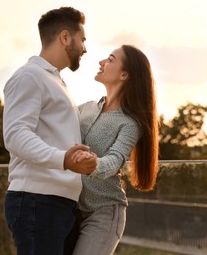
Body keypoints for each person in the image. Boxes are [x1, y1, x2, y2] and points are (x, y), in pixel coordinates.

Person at [3, 7, 97, 255]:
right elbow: (15, 135)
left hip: (58, 204)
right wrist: (64, 159)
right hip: (38, 201)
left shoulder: (54, 81)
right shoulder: (29, 76)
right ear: (65, 37)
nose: (85, 48)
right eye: (83, 39)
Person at [64, 45, 159, 255]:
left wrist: (93, 164)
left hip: (105, 213)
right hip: (71, 209)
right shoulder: (85, 108)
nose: (101, 62)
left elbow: (115, 159)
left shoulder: (130, 123)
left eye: (110, 59)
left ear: (124, 74)